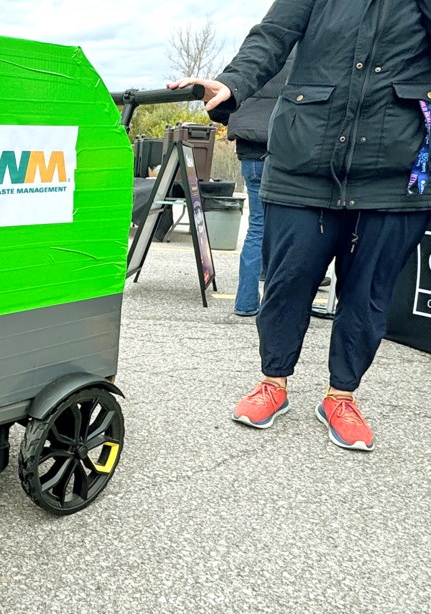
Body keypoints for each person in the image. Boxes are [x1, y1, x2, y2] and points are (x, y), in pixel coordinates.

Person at [169, 0, 431, 452]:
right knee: (288, 282)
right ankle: (273, 381)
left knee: (368, 294)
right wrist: (232, 82)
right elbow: (270, 37)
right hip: (301, 161)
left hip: (395, 173)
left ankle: (341, 396)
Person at [226, 59, 292, 317]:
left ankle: (245, 302)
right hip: (281, 154)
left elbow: (221, 103)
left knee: (257, 227)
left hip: (250, 155)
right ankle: (275, 303)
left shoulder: (252, 63)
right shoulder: (299, 60)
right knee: (283, 228)